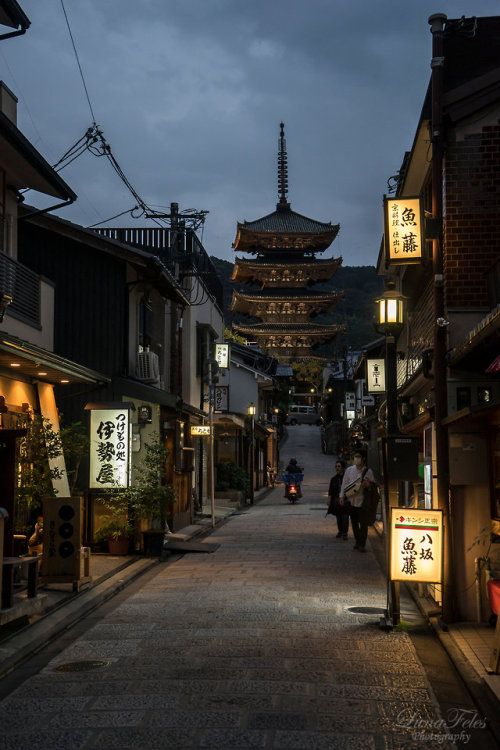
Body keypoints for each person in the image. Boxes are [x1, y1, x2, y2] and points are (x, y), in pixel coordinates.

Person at [339, 450, 375, 552]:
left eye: (358, 457)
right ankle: (357, 541)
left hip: (363, 502)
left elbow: (372, 486)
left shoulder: (368, 471)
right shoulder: (349, 470)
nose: (356, 459)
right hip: (352, 501)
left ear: (363, 459)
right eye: (355, 456)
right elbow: (344, 484)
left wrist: (368, 485)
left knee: (363, 524)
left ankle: (362, 544)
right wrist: (341, 496)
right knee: (354, 523)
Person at [327, 459, 348, 539]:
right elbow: (330, 490)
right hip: (336, 500)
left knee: (345, 516)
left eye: (339, 466)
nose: (337, 468)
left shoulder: (346, 478)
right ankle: (340, 531)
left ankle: (345, 532)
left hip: (345, 500)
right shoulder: (334, 479)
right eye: (336, 466)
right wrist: (329, 499)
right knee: (338, 516)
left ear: (343, 468)